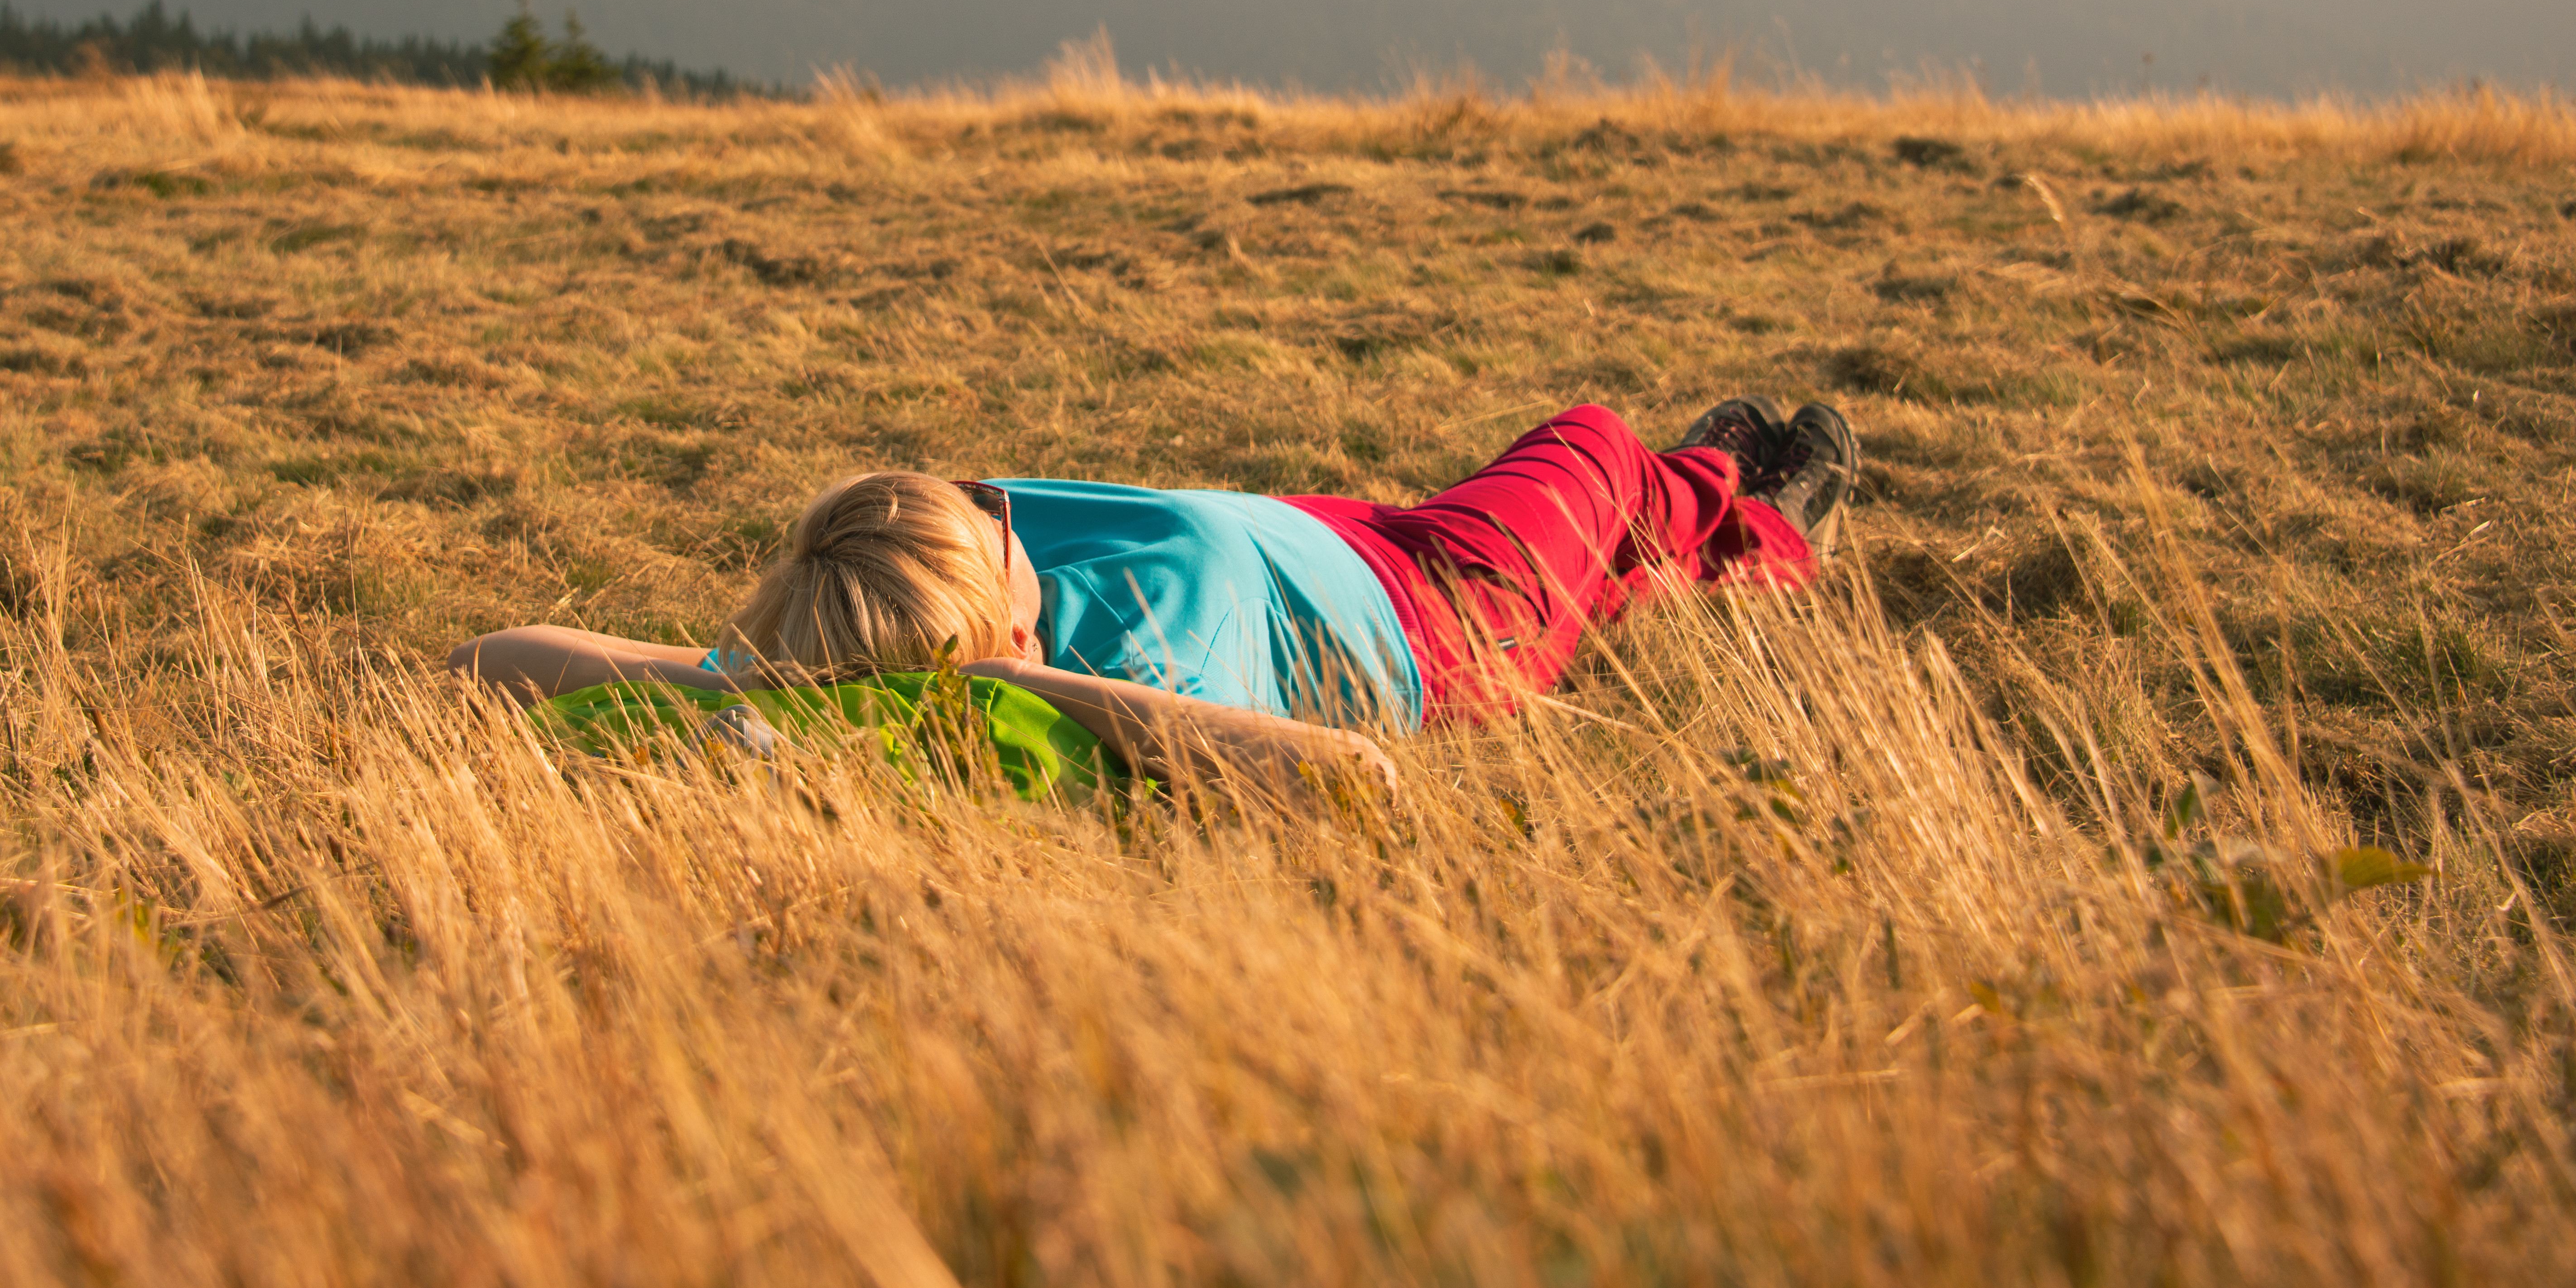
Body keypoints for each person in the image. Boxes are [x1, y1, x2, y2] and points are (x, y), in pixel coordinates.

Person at [442, 397, 1859, 803]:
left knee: (1611, 549)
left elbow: (484, 657)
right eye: (999, 556)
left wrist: (720, 679)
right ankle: (1748, 510)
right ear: (996, 648)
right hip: (1438, 612)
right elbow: (1346, 780)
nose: (1010, 529)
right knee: (1596, 447)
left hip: (1323, 540)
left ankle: (1709, 519)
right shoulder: (1124, 671)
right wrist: (1021, 686)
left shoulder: (882, 595)